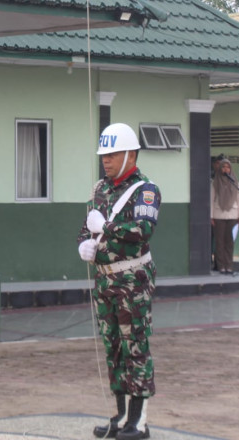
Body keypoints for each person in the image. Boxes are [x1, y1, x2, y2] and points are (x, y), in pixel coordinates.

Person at [77, 123, 161, 440]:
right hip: (106, 280)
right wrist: (83, 245)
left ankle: (138, 422)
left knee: (135, 347)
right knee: (113, 348)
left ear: (130, 154)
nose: (106, 160)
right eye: (104, 155)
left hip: (133, 279)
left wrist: (108, 228)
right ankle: (122, 415)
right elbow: (86, 225)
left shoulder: (146, 191)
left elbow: (143, 230)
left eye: (112, 154)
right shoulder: (100, 189)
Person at [210, 158, 239, 274]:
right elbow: (212, 200)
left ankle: (229, 265)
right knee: (219, 242)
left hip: (233, 215)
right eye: (223, 167)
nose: (225, 169)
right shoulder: (215, 183)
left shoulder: (235, 182)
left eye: (228, 167)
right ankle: (221, 266)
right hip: (218, 215)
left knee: (230, 242)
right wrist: (211, 217)